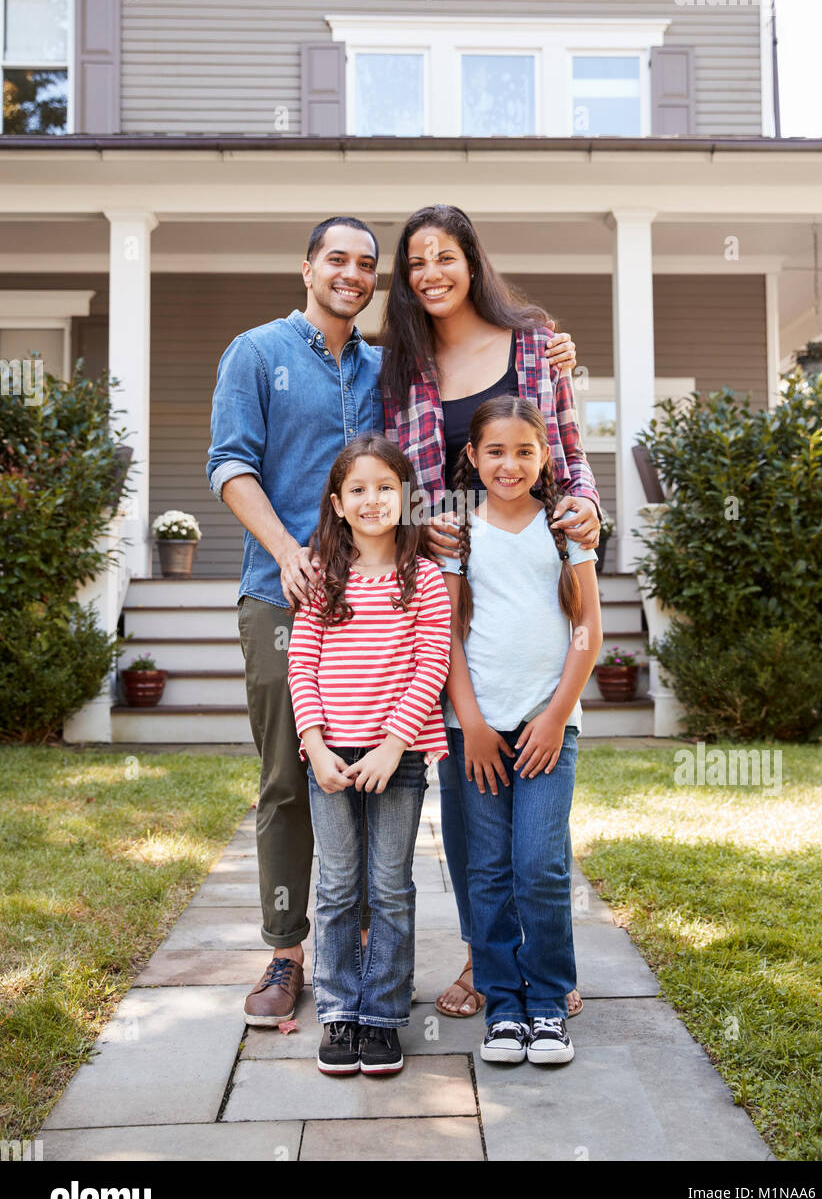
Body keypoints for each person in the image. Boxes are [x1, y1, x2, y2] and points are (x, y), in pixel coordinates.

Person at [206, 214, 579, 1025]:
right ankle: (288, 952)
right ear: (306, 266)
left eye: (365, 263)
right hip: (287, 591)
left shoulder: (392, 362)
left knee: (390, 761)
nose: (351, 271)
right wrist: (290, 551)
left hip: (391, 599)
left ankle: (374, 944)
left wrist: (554, 352)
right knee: (291, 773)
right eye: (335, 258)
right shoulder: (257, 353)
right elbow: (229, 463)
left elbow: (454, 452)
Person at [379, 204, 602, 1020]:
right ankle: (485, 959)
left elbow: (571, 457)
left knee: (537, 833)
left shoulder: (537, 341)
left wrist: (586, 513)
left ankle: (546, 968)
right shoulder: (401, 366)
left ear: (471, 260)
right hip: (450, 594)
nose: (431, 274)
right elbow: (395, 483)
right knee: (470, 800)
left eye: (445, 256)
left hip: (533, 587)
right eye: (415, 263)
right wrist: (416, 521)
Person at [440, 396, 603, 1065]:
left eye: (525, 451)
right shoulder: (457, 534)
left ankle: (547, 1001)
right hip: (473, 733)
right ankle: (504, 1006)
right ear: (472, 457)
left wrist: (557, 714)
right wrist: (472, 722)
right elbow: (445, 637)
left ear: (544, 459)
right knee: (486, 871)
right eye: (496, 452)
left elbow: (588, 630)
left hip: (546, 730)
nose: (510, 464)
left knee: (540, 864)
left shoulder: (566, 531)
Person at [288, 435, 451, 1077]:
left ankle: (381, 1017)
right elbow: (302, 663)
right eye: (358, 489)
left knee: (388, 886)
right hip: (329, 754)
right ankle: (338, 1012)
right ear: (338, 503)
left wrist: (393, 745)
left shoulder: (425, 579)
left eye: (385, 487)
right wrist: (314, 745)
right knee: (335, 887)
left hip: (397, 757)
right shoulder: (323, 578)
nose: (373, 499)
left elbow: (430, 664)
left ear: (405, 496)